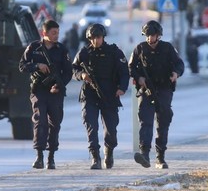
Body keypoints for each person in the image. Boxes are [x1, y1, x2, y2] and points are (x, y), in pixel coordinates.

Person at [72, 23, 129, 169]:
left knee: (111, 129)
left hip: (109, 94)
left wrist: (122, 88)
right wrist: (82, 75)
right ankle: (95, 157)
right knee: (91, 125)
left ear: (103, 37)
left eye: (98, 37)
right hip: (90, 94)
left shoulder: (114, 52)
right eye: (92, 38)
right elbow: (73, 69)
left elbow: (124, 72)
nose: (95, 41)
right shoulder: (84, 52)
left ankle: (108, 152)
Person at [128, 20, 185, 169]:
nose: (150, 39)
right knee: (145, 120)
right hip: (147, 90)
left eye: (152, 35)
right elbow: (130, 67)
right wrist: (138, 78)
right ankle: (144, 154)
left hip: (164, 89)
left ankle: (160, 157)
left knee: (163, 122)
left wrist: (175, 73)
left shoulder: (167, 48)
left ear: (158, 35)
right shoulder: (139, 49)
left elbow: (179, 64)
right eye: (147, 35)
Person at [19, 20, 73, 170]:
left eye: (57, 32)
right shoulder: (34, 48)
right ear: (45, 33)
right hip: (39, 91)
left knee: (55, 123)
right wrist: (37, 66)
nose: (56, 35)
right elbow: (22, 66)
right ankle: (39, 156)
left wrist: (60, 85)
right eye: (53, 33)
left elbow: (68, 72)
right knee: (40, 121)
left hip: (55, 92)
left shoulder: (62, 50)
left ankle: (51, 157)